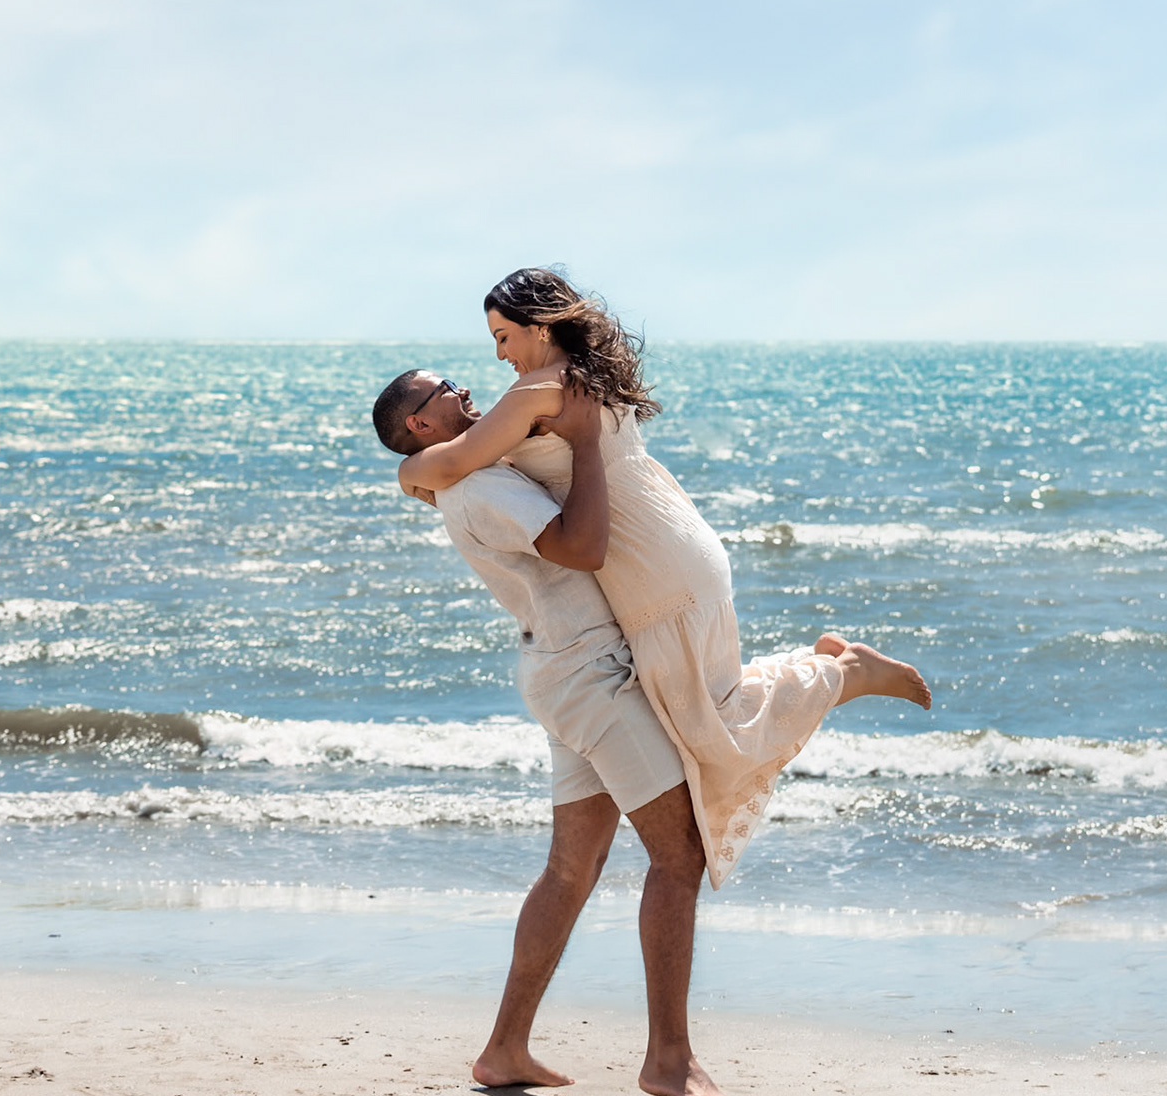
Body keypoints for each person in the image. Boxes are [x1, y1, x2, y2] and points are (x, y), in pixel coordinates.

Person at [398, 268, 931, 888]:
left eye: (504, 336)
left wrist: (404, 474)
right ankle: (830, 666)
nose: (500, 354)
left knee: (711, 725)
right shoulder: (580, 375)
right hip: (671, 541)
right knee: (710, 708)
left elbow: (454, 462)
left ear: (540, 327)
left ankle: (841, 675)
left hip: (651, 562)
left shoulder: (535, 395)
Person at [372, 368, 740, 1096]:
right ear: (419, 423)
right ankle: (669, 1060)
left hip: (566, 668)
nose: (462, 388)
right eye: (443, 388)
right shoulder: (480, 489)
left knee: (572, 868)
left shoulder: (468, 474)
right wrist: (583, 443)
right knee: (679, 856)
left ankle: (504, 1048)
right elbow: (584, 549)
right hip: (590, 678)